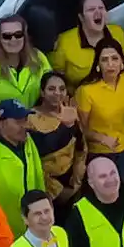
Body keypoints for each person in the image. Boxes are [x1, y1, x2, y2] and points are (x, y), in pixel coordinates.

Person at [0, 99, 45, 238]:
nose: (25, 125)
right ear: (1, 123)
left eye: (25, 120)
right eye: (18, 121)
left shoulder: (28, 142)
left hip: (31, 232)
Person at [75, 42, 124, 182]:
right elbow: (81, 129)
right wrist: (103, 139)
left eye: (115, 58)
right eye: (104, 60)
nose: (110, 64)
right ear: (98, 65)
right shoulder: (86, 91)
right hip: (99, 153)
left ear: (122, 62)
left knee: (123, 191)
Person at [29, 71, 88, 207]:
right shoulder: (31, 118)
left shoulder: (70, 113)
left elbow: (81, 145)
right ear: (42, 92)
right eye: (51, 89)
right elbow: (41, 151)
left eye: (62, 89)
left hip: (73, 180)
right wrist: (57, 190)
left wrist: (77, 181)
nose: (57, 93)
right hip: (47, 185)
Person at [0, 13, 51, 111]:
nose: (13, 40)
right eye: (6, 36)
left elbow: (51, 90)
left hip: (37, 119)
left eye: (18, 34)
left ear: (24, 37)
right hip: (4, 123)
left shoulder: (38, 57)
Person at [51, 0, 124, 91]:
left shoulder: (118, 33)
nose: (98, 12)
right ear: (81, 17)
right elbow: (57, 76)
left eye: (101, 8)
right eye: (91, 10)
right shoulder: (65, 41)